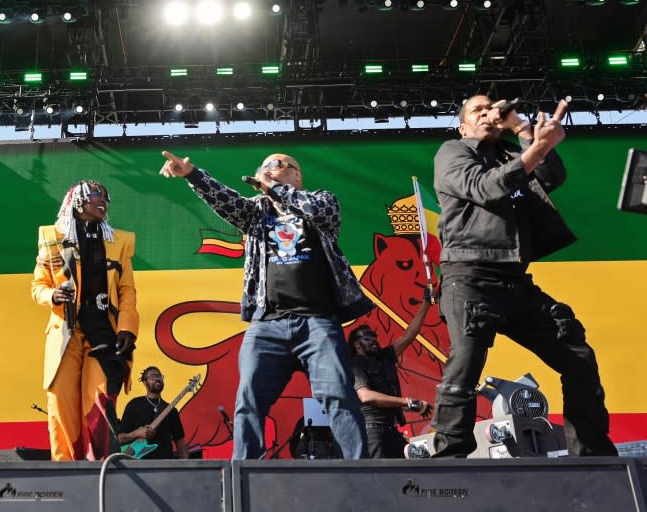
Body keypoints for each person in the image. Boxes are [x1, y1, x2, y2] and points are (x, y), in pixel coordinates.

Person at [423, 95, 617, 457]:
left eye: (491, 108)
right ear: (462, 125)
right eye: (477, 111)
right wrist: (538, 148)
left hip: (515, 279)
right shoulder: (452, 152)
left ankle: (593, 456)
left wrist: (526, 131)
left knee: (577, 355)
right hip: (469, 275)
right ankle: (449, 457)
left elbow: (552, 175)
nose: (487, 113)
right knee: (465, 363)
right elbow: (485, 188)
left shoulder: (511, 154)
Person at [159, 151, 372, 460]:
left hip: (318, 322)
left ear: (296, 175)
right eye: (265, 166)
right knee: (249, 400)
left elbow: (320, 212)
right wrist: (192, 174)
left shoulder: (321, 199)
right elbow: (227, 201)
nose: (269, 169)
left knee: (337, 395)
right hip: (268, 324)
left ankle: (358, 472)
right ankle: (245, 473)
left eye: (278, 164)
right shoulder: (256, 211)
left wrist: (275, 189)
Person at [31, 180, 138, 461]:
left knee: (101, 401)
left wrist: (128, 326)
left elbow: (127, 289)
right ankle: (65, 468)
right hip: (66, 330)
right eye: (95, 196)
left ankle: (99, 467)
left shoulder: (120, 241)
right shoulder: (51, 237)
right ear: (77, 202)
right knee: (61, 402)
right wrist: (53, 295)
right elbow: (37, 287)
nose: (103, 201)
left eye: (106, 197)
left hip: (103, 330)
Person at [348, 293, 434, 458]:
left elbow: (409, 335)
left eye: (374, 336)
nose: (373, 340)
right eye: (368, 337)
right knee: (379, 478)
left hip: (391, 431)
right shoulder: (355, 365)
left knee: (408, 472)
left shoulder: (385, 356)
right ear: (357, 344)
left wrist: (426, 304)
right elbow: (366, 396)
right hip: (373, 433)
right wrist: (408, 403)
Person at [118, 367, 188, 459]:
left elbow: (180, 444)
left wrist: (185, 468)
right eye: (152, 376)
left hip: (165, 465)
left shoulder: (171, 410)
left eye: (159, 376)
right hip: (137, 465)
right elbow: (120, 438)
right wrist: (137, 433)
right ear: (144, 382)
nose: (157, 378)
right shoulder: (134, 405)